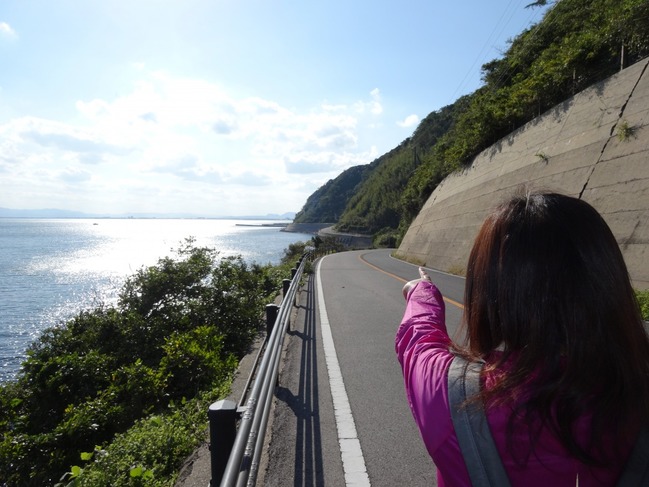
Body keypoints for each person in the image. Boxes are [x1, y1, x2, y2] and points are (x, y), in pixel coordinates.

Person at [395, 191, 649, 486]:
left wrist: (422, 291)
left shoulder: (455, 395)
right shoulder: (633, 391)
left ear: (490, 291)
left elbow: (419, 340)